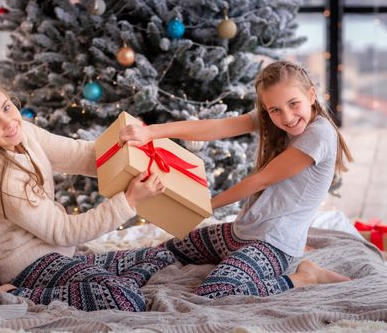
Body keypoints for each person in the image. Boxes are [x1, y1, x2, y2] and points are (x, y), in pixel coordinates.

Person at [119, 60, 353, 299]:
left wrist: (207, 206)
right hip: (242, 232)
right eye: (275, 110)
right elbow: (216, 127)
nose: (287, 116)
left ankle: (304, 277)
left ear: (311, 95)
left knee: (215, 292)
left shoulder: (320, 134)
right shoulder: (272, 119)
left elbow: (261, 180)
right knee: (168, 250)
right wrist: (151, 131)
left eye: (294, 104)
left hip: (274, 246)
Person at [0, 79, 176, 312]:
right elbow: (64, 232)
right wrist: (130, 201)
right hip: (28, 266)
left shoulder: (23, 132)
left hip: (61, 254)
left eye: (6, 108)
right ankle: (16, 292)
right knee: (126, 299)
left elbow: (79, 155)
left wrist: (120, 146)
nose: (8, 123)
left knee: (160, 257)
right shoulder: (2, 177)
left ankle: (94, 281)